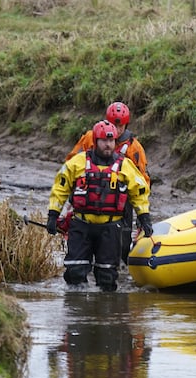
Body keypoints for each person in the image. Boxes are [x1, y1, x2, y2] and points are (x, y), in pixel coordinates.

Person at [47, 120, 152, 292]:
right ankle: (78, 313)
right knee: (75, 273)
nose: (108, 145)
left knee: (107, 278)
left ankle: (105, 312)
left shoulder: (125, 166)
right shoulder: (77, 163)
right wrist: (53, 215)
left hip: (110, 228)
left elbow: (140, 193)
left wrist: (144, 218)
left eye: (111, 141)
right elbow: (60, 187)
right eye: (104, 141)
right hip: (82, 225)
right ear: (96, 141)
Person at [66, 102, 151, 264]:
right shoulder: (90, 138)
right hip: (89, 196)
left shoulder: (134, 148)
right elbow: (72, 162)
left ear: (126, 125)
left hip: (120, 201)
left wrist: (143, 214)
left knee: (122, 241)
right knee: (83, 235)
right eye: (114, 125)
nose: (117, 130)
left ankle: (117, 267)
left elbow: (142, 180)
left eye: (121, 126)